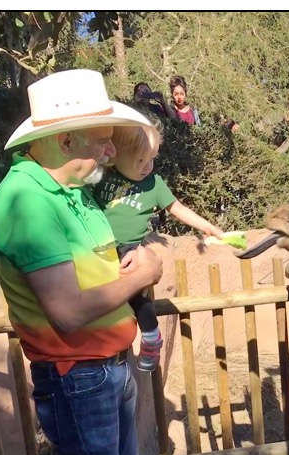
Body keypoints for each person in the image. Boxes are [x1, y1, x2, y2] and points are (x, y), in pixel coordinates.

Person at [0, 69, 164, 455]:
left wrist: (136, 264)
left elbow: (100, 274)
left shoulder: (75, 192)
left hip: (109, 369)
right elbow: (67, 312)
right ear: (65, 140)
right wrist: (142, 275)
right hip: (77, 378)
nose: (111, 152)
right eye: (103, 141)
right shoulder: (25, 201)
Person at [91, 122, 224, 370]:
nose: (147, 167)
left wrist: (206, 226)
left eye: (151, 159)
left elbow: (177, 208)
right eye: (140, 160)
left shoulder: (154, 184)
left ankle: (152, 338)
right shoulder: (102, 177)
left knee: (136, 296)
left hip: (129, 250)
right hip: (98, 250)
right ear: (115, 156)